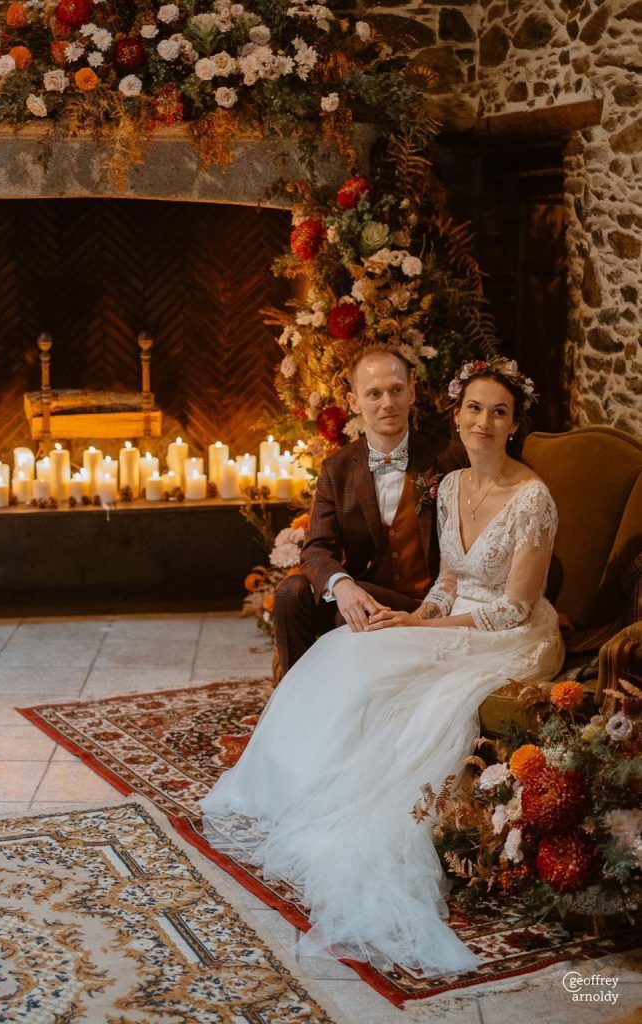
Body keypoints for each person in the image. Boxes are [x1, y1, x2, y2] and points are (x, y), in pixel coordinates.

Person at [200, 357, 565, 977]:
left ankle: (369, 812)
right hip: (430, 610)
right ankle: (300, 776)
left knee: (380, 668)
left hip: (508, 633)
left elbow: (514, 607)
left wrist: (419, 625)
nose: (483, 422)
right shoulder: (442, 482)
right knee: (342, 647)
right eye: (474, 409)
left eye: (498, 412)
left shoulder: (511, 490)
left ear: (513, 423)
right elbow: (446, 581)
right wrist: (405, 613)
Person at [274, 345, 457, 676]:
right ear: (354, 402)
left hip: (426, 602)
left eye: (396, 390)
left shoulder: (447, 459)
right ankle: (295, 693)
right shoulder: (338, 468)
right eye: (374, 393)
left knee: (352, 611)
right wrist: (342, 586)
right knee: (291, 592)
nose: (387, 403)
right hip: (364, 598)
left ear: (411, 393)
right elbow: (316, 548)